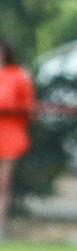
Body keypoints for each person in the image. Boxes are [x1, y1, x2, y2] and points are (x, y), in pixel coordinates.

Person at [0, 38, 35, 239]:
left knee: (3, 185)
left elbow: (28, 107)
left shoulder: (18, 75)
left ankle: (0, 225)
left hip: (9, 136)